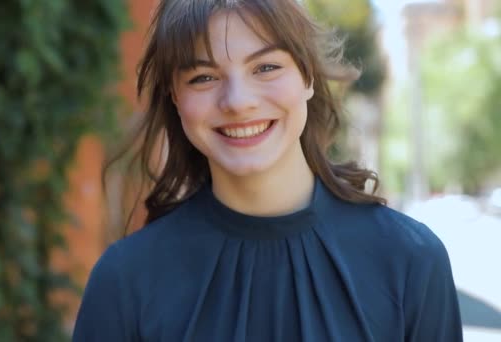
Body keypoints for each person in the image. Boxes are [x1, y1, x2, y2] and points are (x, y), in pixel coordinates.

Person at [73, 0, 463, 341]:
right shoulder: (125, 280)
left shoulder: (411, 259)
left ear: (308, 76)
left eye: (266, 67)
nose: (239, 102)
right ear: (176, 97)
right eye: (204, 77)